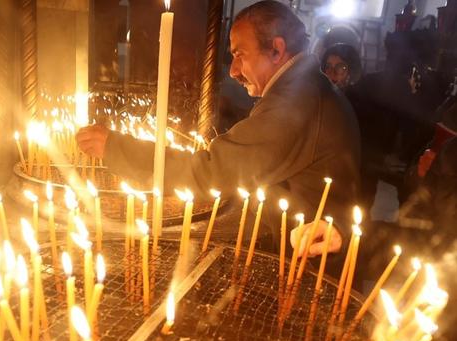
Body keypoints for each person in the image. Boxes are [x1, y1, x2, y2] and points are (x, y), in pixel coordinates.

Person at [77, 0, 360, 256]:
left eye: (240, 55)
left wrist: (116, 147)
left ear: (276, 49)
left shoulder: (298, 100)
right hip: (302, 245)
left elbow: (212, 171)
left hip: (311, 261)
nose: (234, 70)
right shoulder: (305, 89)